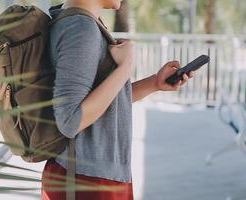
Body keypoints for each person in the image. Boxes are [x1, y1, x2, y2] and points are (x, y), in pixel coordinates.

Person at [42, 0, 195, 199]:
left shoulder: (75, 21)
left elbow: (101, 103)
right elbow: (70, 121)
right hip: (87, 181)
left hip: (88, 174)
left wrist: (154, 84)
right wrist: (125, 67)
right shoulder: (81, 29)